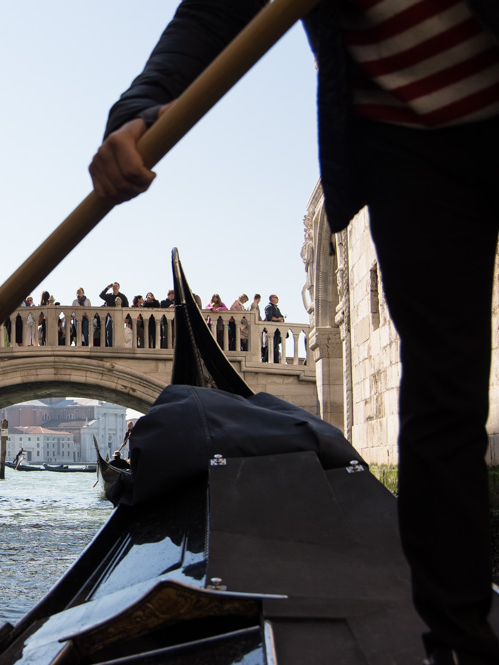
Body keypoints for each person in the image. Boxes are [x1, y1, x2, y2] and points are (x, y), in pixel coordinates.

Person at [89, 5, 499, 659]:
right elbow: (213, 12)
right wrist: (141, 104)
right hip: (406, 144)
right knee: (442, 401)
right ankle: (460, 644)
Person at [264, 294, 284, 364]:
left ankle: (276, 361)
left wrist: (281, 319)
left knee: (275, 346)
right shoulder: (269, 307)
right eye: (276, 298)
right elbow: (269, 317)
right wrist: (278, 319)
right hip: (271, 330)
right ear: (272, 298)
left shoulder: (277, 309)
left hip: (277, 330)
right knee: (271, 345)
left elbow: (281, 317)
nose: (278, 299)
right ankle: (265, 359)